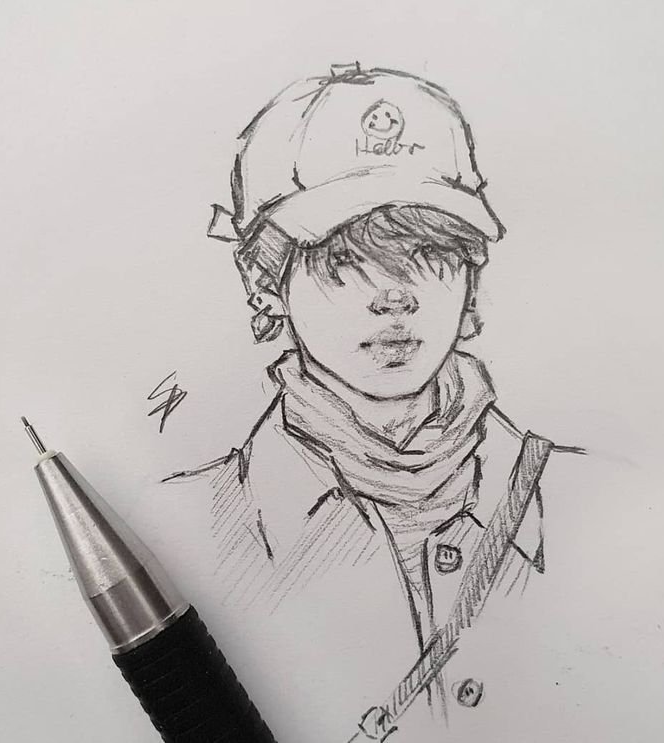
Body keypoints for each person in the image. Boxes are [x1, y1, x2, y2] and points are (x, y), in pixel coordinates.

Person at [169, 63, 573, 738]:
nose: (395, 295)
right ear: (265, 281)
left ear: (471, 280)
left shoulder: (580, 490)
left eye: (432, 253)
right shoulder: (191, 526)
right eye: (345, 258)